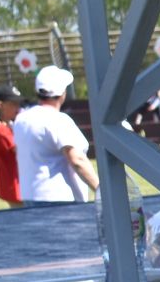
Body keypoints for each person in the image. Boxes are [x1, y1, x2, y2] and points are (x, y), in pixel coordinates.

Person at [14, 66, 98, 203]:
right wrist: (99, 188)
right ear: (62, 93)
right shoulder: (59, 120)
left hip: (29, 197)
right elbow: (77, 160)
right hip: (59, 200)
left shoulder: (21, 119)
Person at [0, 87, 22, 207]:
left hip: (18, 185)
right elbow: (19, 150)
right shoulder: (0, 129)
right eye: (13, 104)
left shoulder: (9, 126)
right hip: (14, 186)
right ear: (1, 105)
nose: (17, 108)